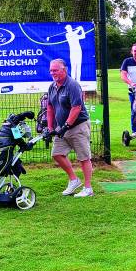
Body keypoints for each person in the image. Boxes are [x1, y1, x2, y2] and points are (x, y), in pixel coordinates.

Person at [47, 58, 93, 197]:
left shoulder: (72, 85)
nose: (52, 73)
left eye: (55, 70)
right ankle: (74, 180)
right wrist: (50, 127)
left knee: (83, 158)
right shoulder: (52, 86)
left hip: (78, 126)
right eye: (51, 70)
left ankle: (88, 188)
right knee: (57, 154)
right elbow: (49, 107)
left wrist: (66, 125)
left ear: (64, 70)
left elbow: (76, 108)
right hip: (62, 128)